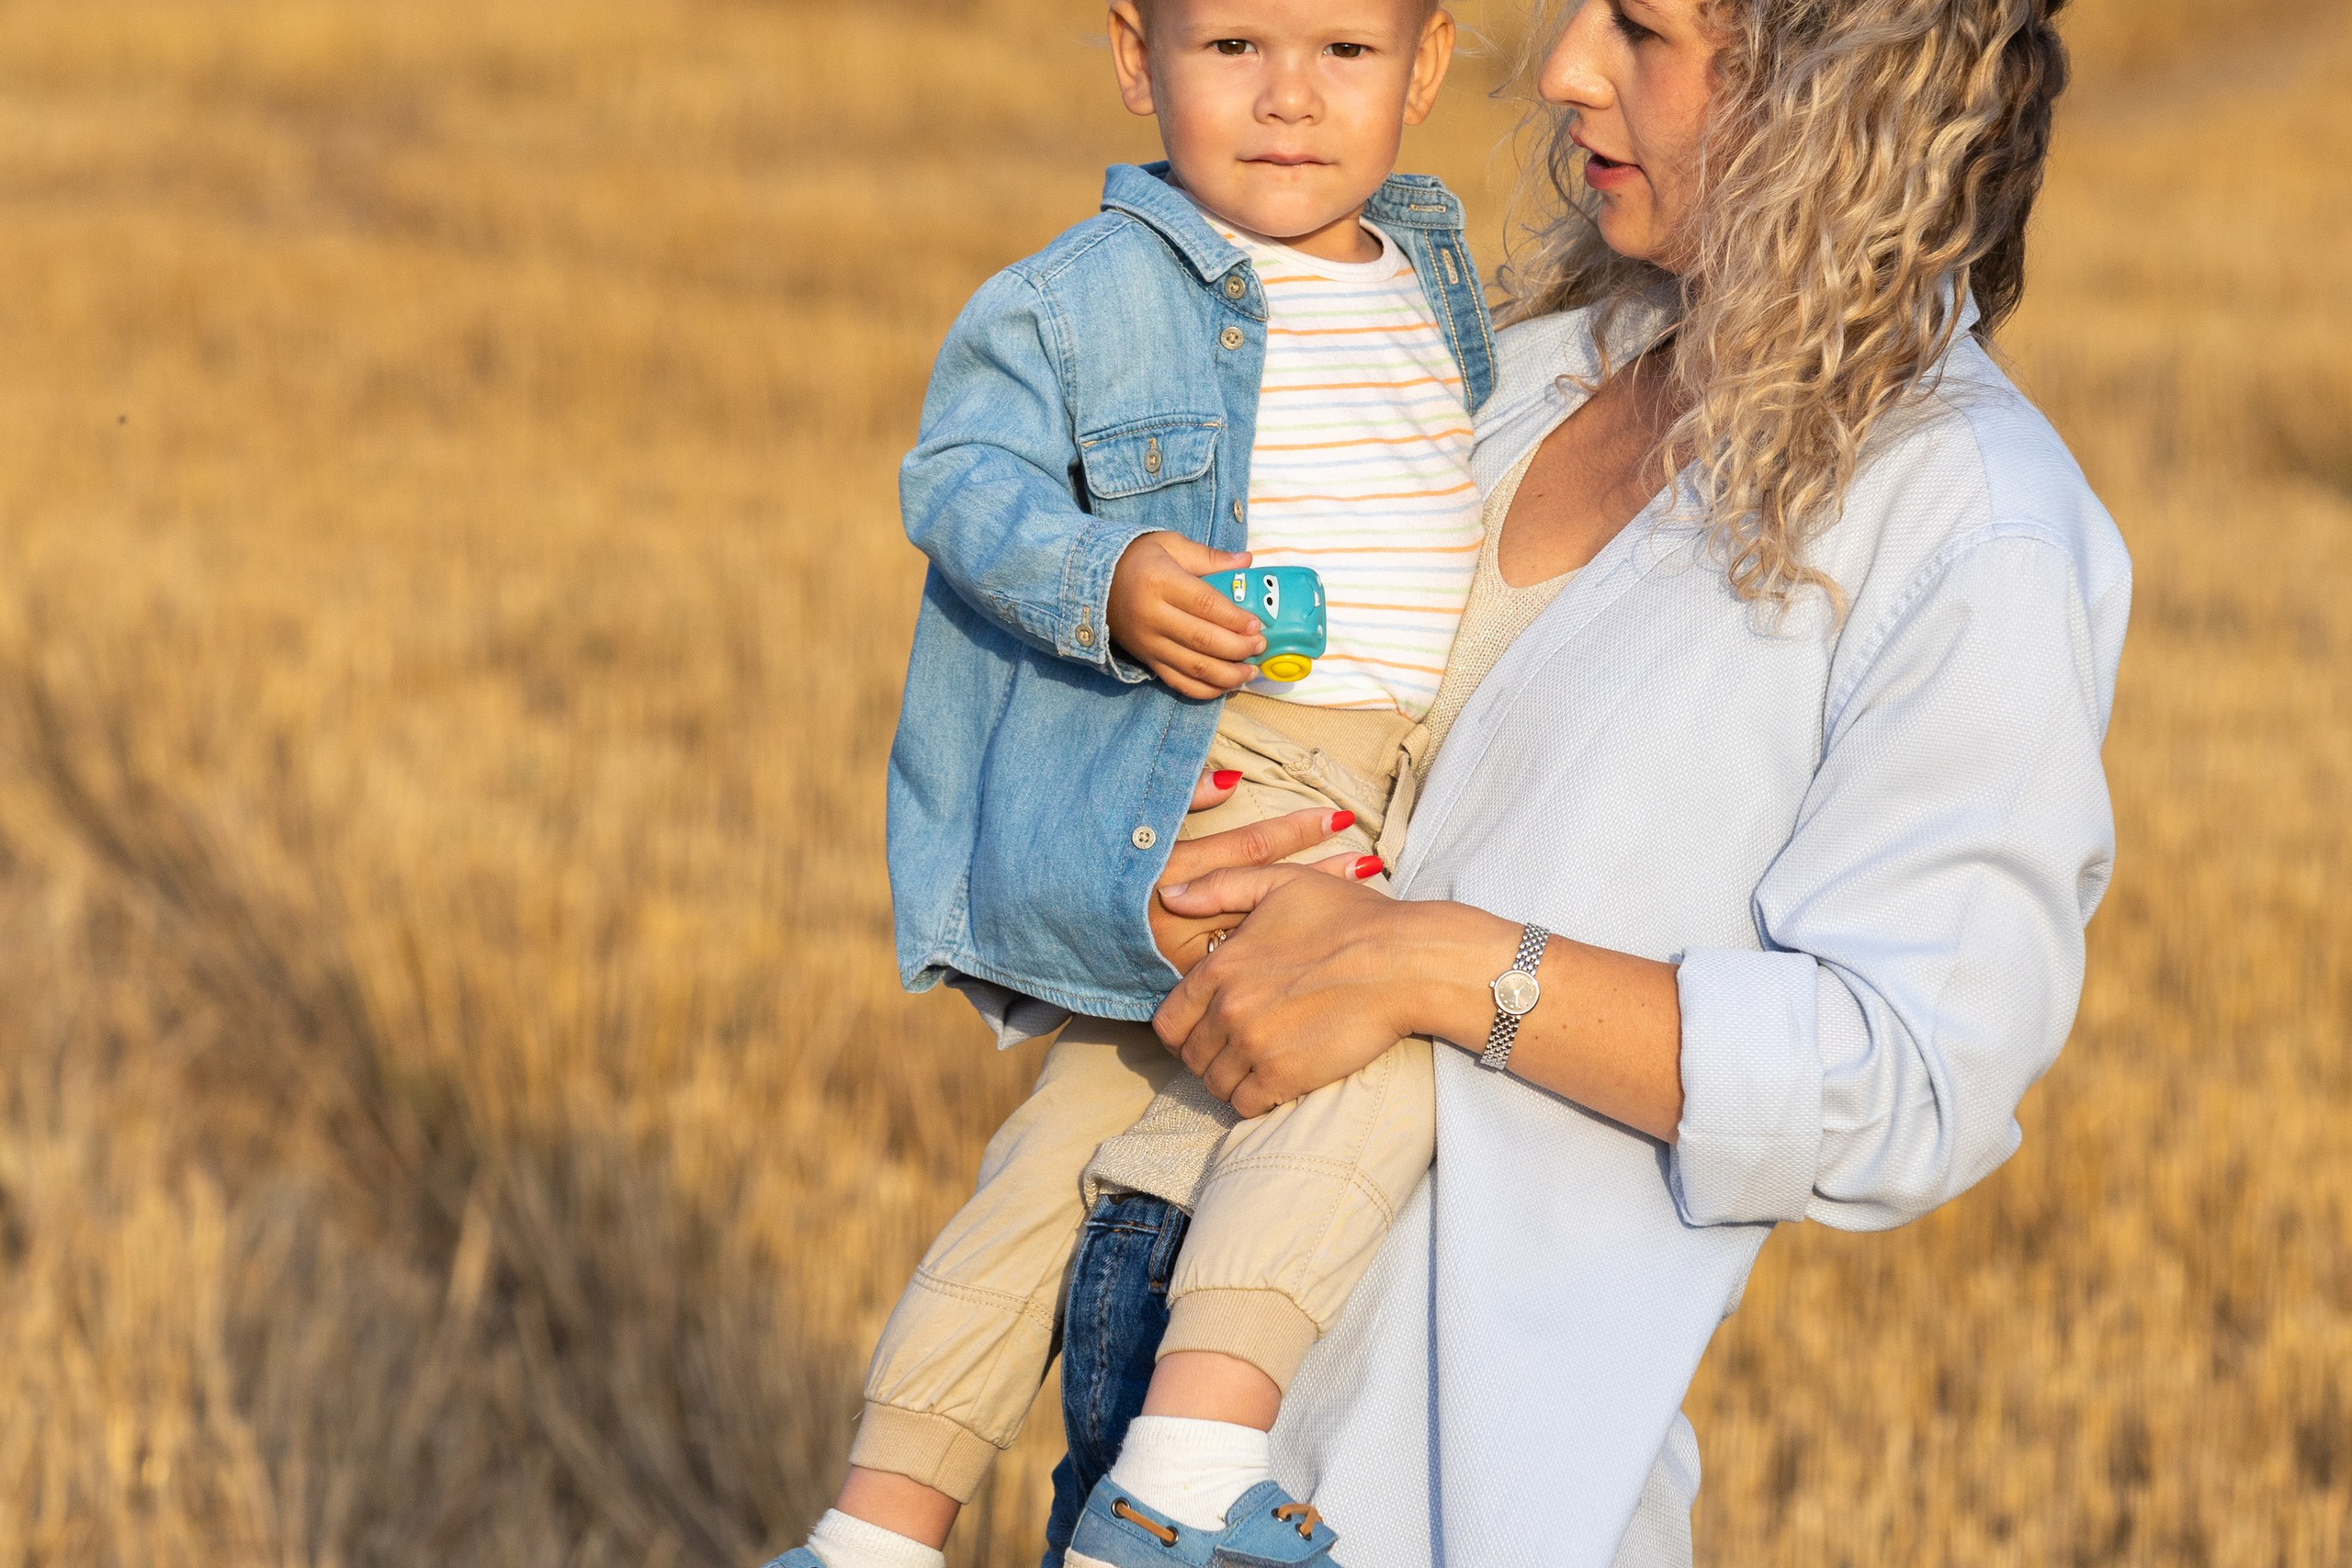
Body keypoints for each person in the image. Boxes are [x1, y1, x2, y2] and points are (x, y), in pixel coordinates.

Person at [1046, 0, 2129, 1563]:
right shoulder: (1515, 373)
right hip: (1139, 1352)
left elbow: (1911, 1075)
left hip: (1448, 1485)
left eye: (1645, 27)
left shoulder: (1973, 516)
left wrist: (1431, 964)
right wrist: (1143, 841)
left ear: (1842, 79)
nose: (1563, 66)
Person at [768, 5, 1502, 1567]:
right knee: (1380, 1057)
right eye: (1233, 42)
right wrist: (1105, 579)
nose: (1291, 97)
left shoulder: (1441, 285)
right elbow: (958, 477)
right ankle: (1180, 1467)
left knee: (1061, 1149)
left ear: (1427, 69)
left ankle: (877, 1531)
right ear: (1134, 55)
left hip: (1342, 779)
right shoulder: (1094, 292)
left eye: (1348, 55)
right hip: (1223, 769)